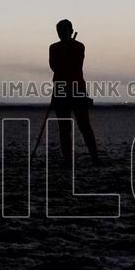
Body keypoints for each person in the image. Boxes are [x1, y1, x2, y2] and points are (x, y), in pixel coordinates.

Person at [49, 19, 100, 165]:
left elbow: (76, 65)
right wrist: (63, 56)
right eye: (59, 31)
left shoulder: (78, 46)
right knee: (64, 128)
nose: (61, 34)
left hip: (77, 89)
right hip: (60, 89)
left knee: (84, 125)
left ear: (71, 31)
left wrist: (66, 55)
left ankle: (95, 158)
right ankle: (67, 160)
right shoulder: (54, 48)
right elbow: (54, 66)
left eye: (64, 31)